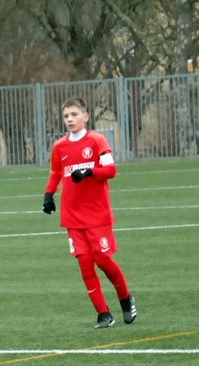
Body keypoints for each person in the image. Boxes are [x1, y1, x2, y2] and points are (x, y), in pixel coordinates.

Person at [43, 97, 137, 329]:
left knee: (102, 260)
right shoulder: (59, 146)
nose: (70, 119)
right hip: (72, 217)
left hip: (97, 215)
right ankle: (104, 314)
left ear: (86, 117)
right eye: (66, 116)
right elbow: (56, 173)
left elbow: (111, 170)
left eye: (74, 114)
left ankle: (126, 298)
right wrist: (48, 195)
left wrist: (89, 172)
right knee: (85, 264)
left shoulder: (97, 141)